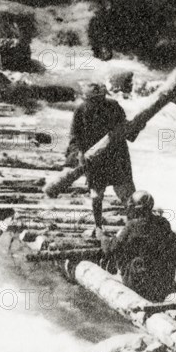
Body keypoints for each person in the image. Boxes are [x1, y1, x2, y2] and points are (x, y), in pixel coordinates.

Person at [101, 190, 176, 302]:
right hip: (161, 276)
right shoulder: (163, 222)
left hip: (138, 280)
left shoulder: (131, 227)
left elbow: (110, 249)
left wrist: (102, 237)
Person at [68, 83, 135, 237]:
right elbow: (74, 136)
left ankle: (133, 226)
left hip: (117, 156)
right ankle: (98, 227)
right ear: (88, 99)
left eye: (101, 98)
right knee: (97, 195)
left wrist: (137, 127)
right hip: (95, 159)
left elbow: (127, 130)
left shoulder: (113, 106)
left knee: (126, 194)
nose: (99, 101)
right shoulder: (81, 110)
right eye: (95, 99)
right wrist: (78, 155)